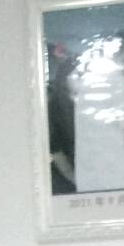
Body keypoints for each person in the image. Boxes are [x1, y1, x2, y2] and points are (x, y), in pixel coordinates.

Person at [73, 33, 124, 194]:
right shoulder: (120, 83)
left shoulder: (84, 86)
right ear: (122, 56)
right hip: (117, 180)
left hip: (87, 182)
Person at [47, 53, 79, 195]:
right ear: (65, 79)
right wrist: (76, 180)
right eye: (77, 75)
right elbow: (56, 151)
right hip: (65, 180)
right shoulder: (55, 107)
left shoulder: (84, 105)